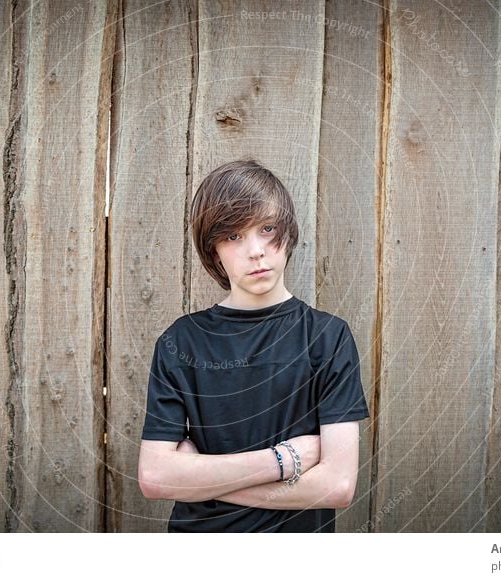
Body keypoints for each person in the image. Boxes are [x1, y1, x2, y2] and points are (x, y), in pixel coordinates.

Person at [137, 159, 370, 532]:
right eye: (233, 236)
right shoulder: (180, 342)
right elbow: (154, 476)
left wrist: (201, 480)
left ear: (287, 233)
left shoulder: (328, 338)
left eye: (266, 228)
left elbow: (337, 486)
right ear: (213, 250)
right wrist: (284, 461)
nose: (256, 250)